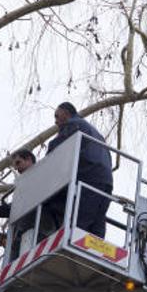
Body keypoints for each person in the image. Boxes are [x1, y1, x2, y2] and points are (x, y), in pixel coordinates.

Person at [44, 102, 114, 238]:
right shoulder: (94, 132)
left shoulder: (73, 124)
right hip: (106, 180)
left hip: (90, 177)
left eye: (57, 116)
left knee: (79, 222)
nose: (56, 121)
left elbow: (56, 147)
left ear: (66, 113)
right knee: (98, 220)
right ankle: (96, 251)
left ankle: (72, 246)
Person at [0, 148, 36, 221]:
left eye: (18, 163)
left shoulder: (46, 173)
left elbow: (30, 201)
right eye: (15, 166)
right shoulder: (24, 185)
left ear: (28, 159)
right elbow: (18, 206)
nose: (16, 168)